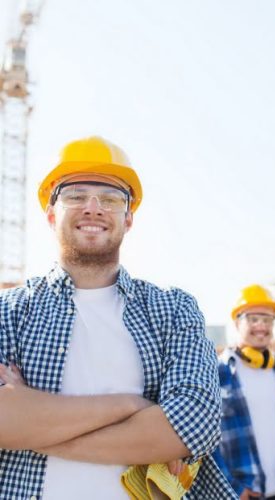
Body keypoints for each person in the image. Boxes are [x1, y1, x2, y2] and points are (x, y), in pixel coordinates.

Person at [0, 136, 236, 499]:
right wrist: (132, 406)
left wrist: (31, 427)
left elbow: (194, 427)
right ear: (51, 215)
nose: (93, 208)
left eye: (110, 199)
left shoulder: (173, 310)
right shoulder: (8, 313)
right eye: (76, 195)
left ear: (128, 219)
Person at [214, 284, 275, 500]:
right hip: (239, 495)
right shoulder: (216, 373)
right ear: (236, 322)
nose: (261, 325)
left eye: (267, 319)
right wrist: (231, 487)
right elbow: (201, 442)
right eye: (253, 319)